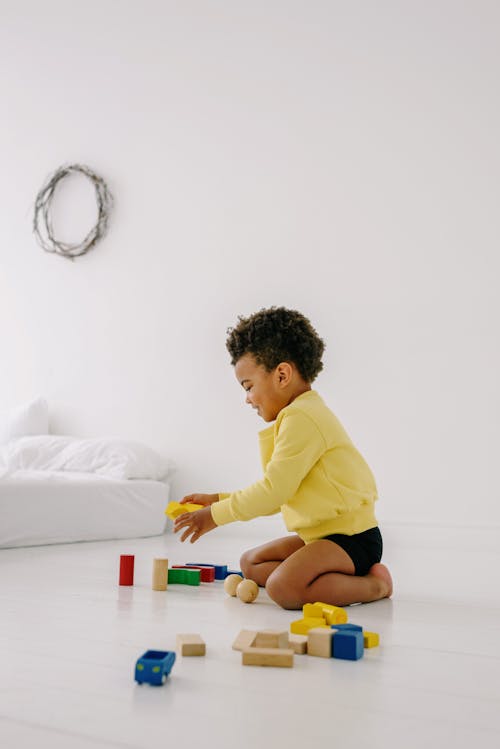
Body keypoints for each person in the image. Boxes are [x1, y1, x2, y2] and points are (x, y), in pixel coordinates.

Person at [174, 307, 393, 610]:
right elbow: (278, 493)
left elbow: (273, 491)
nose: (247, 399)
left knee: (283, 588)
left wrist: (214, 516)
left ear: (282, 375)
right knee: (250, 563)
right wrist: (218, 498)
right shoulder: (296, 415)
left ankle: (374, 585)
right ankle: (317, 579)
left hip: (352, 539)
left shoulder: (302, 417)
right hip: (321, 537)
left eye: (248, 387)